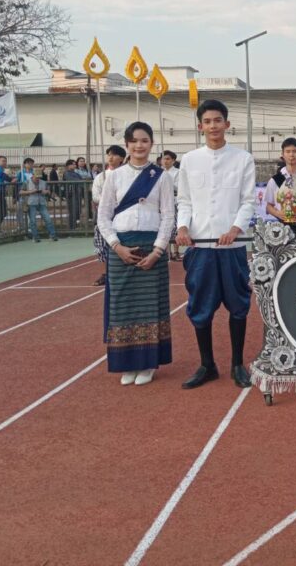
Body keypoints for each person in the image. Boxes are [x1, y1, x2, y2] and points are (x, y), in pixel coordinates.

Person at [176, 99, 258, 389]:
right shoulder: (189, 160)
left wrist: (235, 229)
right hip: (201, 245)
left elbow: (248, 201)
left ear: (227, 124)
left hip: (232, 248)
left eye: (218, 120)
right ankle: (207, 364)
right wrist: (182, 226)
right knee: (200, 306)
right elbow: (184, 200)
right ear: (200, 126)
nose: (213, 126)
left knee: (238, 304)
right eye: (208, 121)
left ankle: (237, 364)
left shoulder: (243, 159)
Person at [97, 122, 175, 386]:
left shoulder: (161, 177)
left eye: (144, 140)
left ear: (151, 144)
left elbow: (168, 216)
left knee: (150, 307)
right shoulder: (114, 176)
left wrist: (158, 250)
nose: (139, 145)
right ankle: (126, 363)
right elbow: (103, 216)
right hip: (121, 248)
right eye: (134, 141)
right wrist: (116, 246)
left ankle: (148, 363)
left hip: (152, 248)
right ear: (127, 144)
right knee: (123, 307)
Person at [92, 145, 127, 285]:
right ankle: (106, 272)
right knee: (102, 245)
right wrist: (109, 201)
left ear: (122, 158)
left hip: (122, 215)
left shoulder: (126, 175)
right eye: (109, 155)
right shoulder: (101, 177)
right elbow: (95, 196)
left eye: (114, 155)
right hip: (105, 216)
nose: (111, 158)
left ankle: (121, 271)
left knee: (122, 243)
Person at [20, 161, 58, 243]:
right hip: (31, 203)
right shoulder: (26, 182)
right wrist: (31, 191)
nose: (37, 179)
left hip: (42, 203)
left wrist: (46, 192)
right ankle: (35, 237)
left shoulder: (43, 182)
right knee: (33, 221)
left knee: (48, 219)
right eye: (36, 177)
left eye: (39, 177)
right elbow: (21, 192)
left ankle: (53, 235)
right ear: (33, 175)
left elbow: (49, 191)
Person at [160, 150, 181, 261]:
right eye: (163, 159)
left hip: (174, 202)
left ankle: (176, 251)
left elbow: (179, 187)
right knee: (164, 227)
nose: (165, 161)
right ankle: (167, 252)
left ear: (173, 160)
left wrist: (167, 182)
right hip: (162, 203)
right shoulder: (158, 172)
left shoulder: (178, 172)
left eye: (168, 159)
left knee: (175, 227)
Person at [63, 159, 83, 230]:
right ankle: (71, 227)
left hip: (77, 193)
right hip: (71, 194)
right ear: (68, 165)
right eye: (73, 164)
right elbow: (73, 180)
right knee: (72, 211)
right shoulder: (66, 173)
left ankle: (74, 226)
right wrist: (79, 180)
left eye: (75, 164)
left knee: (77, 210)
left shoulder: (76, 173)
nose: (75, 165)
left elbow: (81, 180)